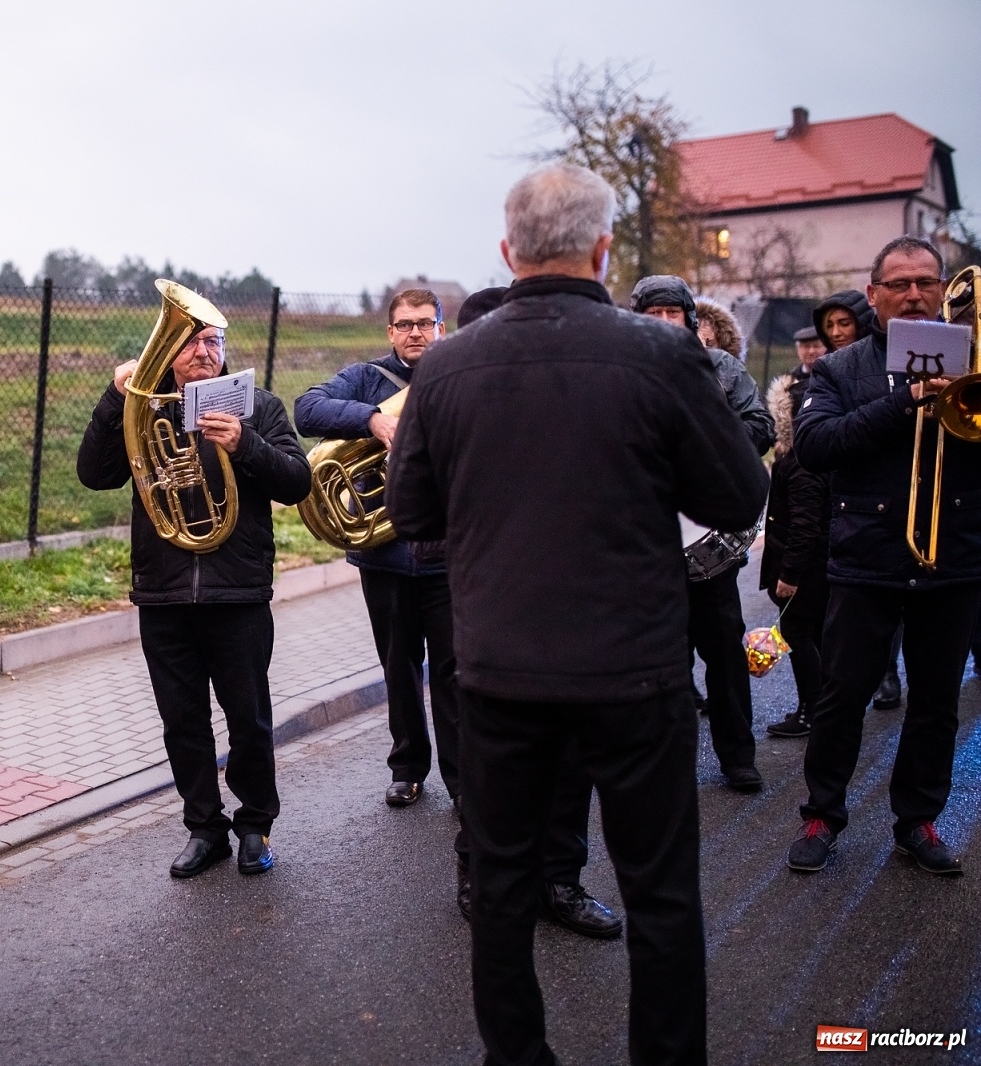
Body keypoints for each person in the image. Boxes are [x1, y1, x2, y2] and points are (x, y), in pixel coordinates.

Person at [389, 163, 768, 1065]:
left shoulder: (443, 366)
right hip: (633, 670)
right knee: (663, 894)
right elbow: (738, 488)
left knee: (505, 887)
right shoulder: (665, 353)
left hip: (496, 670)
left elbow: (413, 516)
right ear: (602, 250)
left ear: (506, 250)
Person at [77, 318, 311, 878]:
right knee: (181, 721)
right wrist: (115, 401)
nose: (205, 351)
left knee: (248, 719)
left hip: (239, 593)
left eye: (215, 341)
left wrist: (246, 444)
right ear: (166, 350)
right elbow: (94, 474)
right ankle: (204, 829)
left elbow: (297, 481)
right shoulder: (144, 409)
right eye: (192, 340)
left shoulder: (258, 406)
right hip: (163, 593)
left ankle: (255, 825)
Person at [788, 235, 974, 877]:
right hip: (866, 560)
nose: (916, 293)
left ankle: (918, 821)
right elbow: (816, 445)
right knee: (842, 697)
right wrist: (908, 401)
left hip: (952, 560)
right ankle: (822, 816)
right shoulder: (838, 370)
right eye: (900, 284)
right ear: (874, 296)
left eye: (927, 281)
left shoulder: (973, 359)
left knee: (936, 702)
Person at [448, 287, 624, 942]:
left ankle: (560, 881)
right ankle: (479, 875)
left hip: (574, 611)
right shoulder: (457, 405)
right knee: (492, 763)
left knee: (571, 761)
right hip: (492, 614)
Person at [293, 287, 457, 810]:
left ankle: (463, 778)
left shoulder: (455, 379)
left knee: (455, 672)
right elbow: (306, 408)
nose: (415, 333)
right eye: (405, 324)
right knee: (399, 665)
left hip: (447, 555)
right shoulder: (366, 379)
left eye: (424, 324)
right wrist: (372, 420)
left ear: (441, 329)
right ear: (390, 332)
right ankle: (407, 768)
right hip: (385, 557)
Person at [631, 274, 776, 793]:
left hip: (708, 536)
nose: (666, 322)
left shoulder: (721, 368)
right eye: (655, 314)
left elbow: (762, 427)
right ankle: (655, 764)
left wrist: (703, 438)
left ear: (692, 320)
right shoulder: (621, 373)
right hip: (645, 539)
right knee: (653, 660)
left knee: (724, 653)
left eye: (674, 313)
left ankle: (738, 756)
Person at [815, 290, 905, 711]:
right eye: (828, 326)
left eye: (842, 323)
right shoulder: (832, 370)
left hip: (946, 536)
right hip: (856, 523)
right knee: (844, 681)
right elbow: (814, 442)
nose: (835, 333)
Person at [761, 327, 832, 737]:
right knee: (813, 634)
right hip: (814, 565)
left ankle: (812, 712)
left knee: (799, 633)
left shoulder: (801, 460)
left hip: (806, 569)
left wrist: (788, 575)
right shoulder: (800, 456)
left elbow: (805, 523)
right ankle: (817, 708)